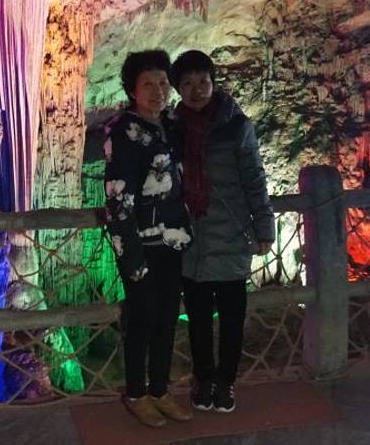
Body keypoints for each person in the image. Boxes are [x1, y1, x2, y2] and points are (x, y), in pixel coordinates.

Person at [170, 49, 275, 414]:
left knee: (231, 319)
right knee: (198, 319)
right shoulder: (173, 129)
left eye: (203, 81)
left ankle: (225, 382)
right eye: (187, 83)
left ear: (213, 83)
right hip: (192, 241)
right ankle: (203, 379)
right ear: (178, 89)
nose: (197, 89)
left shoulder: (237, 126)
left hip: (232, 235)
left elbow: (254, 179)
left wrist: (264, 227)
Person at [104, 49, 193, 428]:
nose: (158, 91)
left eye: (162, 83)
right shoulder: (124, 132)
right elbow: (117, 197)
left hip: (172, 239)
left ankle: (160, 389)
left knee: (168, 316)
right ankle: (136, 393)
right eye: (148, 84)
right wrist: (130, 254)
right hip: (139, 242)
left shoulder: (170, 125)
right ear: (132, 90)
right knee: (142, 318)